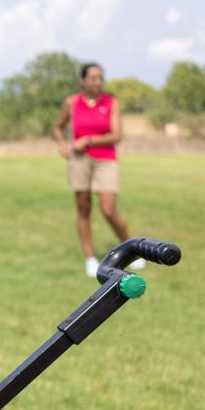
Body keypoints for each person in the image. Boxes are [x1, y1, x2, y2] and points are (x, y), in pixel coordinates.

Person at [53, 62, 144, 278]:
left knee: (108, 209)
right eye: (92, 77)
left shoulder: (111, 103)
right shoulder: (72, 103)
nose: (97, 81)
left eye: (100, 77)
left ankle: (132, 252)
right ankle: (89, 258)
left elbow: (116, 135)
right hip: (79, 161)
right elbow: (58, 127)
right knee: (83, 207)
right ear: (82, 81)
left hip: (106, 160)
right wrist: (62, 144)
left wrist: (89, 140)